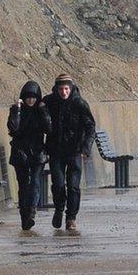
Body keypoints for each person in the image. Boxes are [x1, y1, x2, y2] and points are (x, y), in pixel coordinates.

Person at [43, 74, 95, 231]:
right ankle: (59, 209)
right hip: (56, 151)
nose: (64, 92)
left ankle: (71, 217)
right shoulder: (49, 102)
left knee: (73, 186)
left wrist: (86, 148)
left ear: (71, 88)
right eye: (61, 89)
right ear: (56, 89)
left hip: (75, 151)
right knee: (58, 184)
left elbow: (91, 127)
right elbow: (33, 107)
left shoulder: (80, 103)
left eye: (66, 89)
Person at [7, 81, 51, 230]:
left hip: (38, 153)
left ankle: (32, 212)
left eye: (33, 97)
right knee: (23, 185)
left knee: (35, 183)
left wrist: (44, 111)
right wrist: (17, 110)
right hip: (20, 153)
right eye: (27, 98)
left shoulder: (41, 111)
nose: (30, 100)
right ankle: (24, 217)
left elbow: (48, 128)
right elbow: (14, 128)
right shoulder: (16, 110)